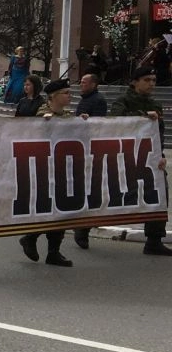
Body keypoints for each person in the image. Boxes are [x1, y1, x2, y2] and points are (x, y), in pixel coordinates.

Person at [110, 66, 172, 256]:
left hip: (147, 158)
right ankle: (85, 228)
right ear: (134, 82)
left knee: (159, 194)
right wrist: (143, 117)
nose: (151, 84)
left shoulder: (155, 105)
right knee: (107, 194)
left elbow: (157, 135)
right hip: (122, 158)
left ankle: (154, 239)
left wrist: (160, 156)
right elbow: (116, 123)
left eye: (153, 80)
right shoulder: (123, 101)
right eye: (147, 80)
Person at [19, 79, 78, 268]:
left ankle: (53, 251)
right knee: (46, 209)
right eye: (66, 93)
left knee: (61, 210)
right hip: (43, 170)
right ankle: (30, 237)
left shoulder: (68, 116)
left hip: (63, 169)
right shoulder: (41, 115)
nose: (70, 96)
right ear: (53, 96)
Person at [71, 74, 109, 249]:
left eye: (84, 83)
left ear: (94, 84)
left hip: (90, 150)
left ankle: (83, 229)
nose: (81, 84)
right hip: (81, 148)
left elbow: (99, 124)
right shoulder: (85, 99)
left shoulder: (98, 100)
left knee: (89, 190)